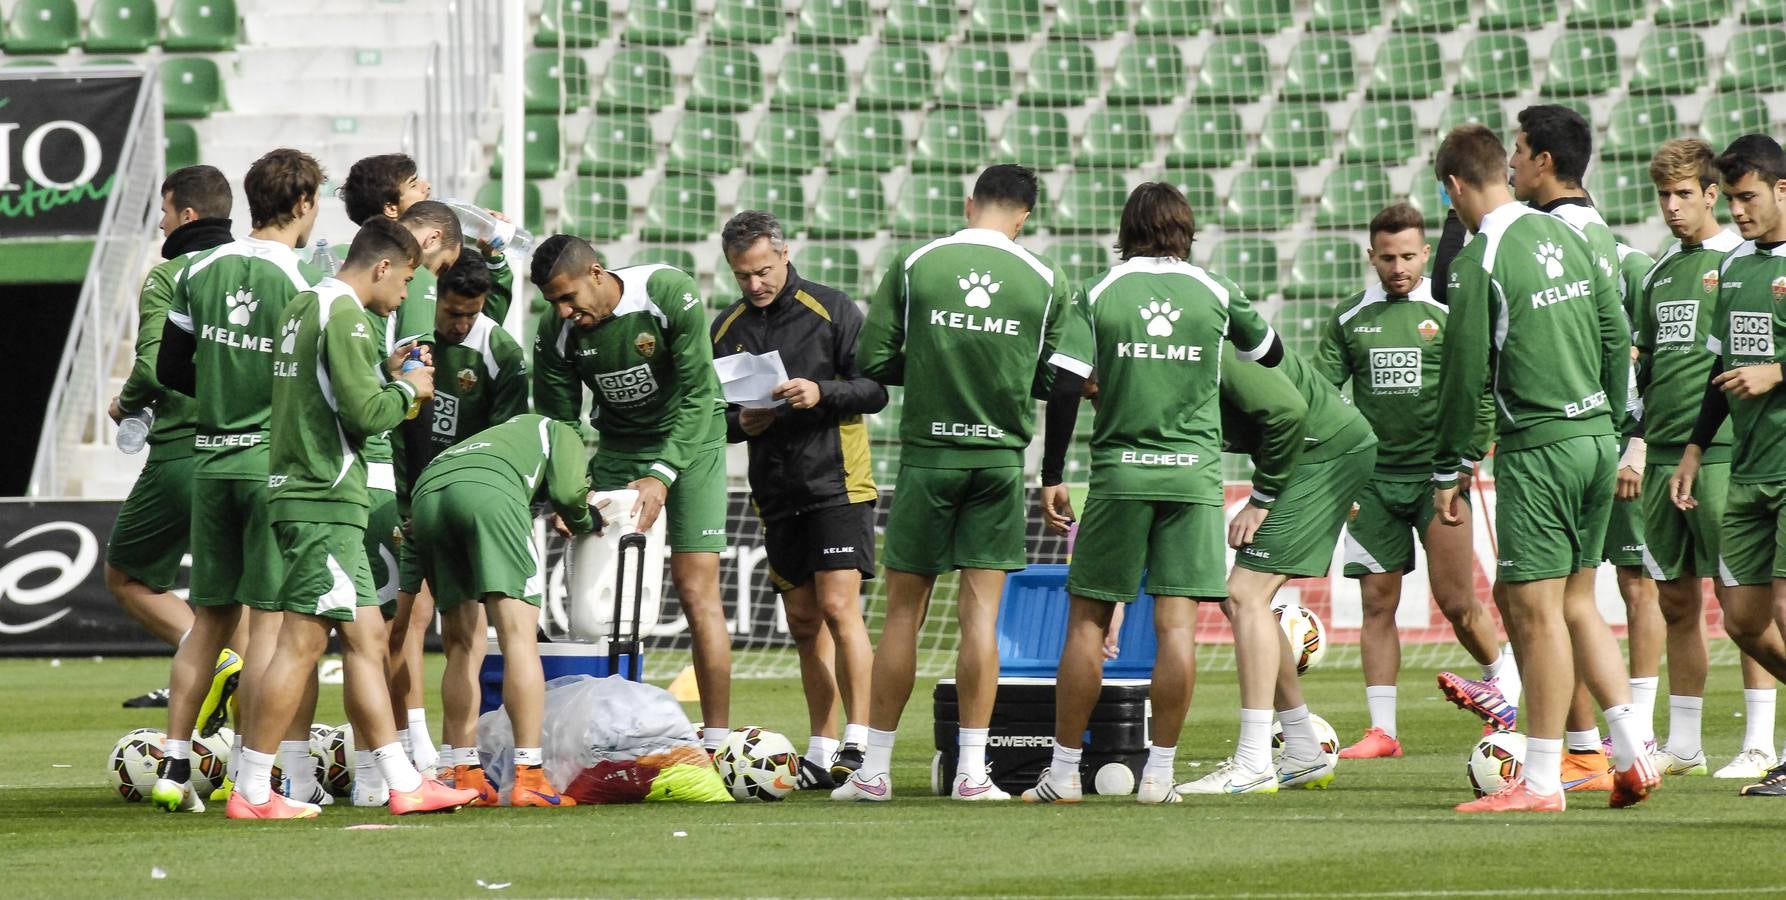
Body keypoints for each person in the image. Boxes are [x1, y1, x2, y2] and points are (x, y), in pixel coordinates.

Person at [1024, 182, 1282, 804]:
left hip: (1121, 475)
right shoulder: (1214, 290)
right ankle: (1159, 776)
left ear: (1127, 228)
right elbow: (1268, 353)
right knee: (1176, 629)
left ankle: (1062, 774)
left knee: (1087, 624)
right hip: (1192, 476)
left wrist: (1052, 473)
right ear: (1186, 230)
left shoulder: (1100, 292)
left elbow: (1063, 385)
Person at [1432, 124, 1656, 812]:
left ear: (1454, 188)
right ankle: (1631, 752)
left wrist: (1452, 467)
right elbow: (1617, 331)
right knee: (1578, 602)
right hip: (1596, 439)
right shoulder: (1569, 235)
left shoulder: (1480, 259)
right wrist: (1618, 426)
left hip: (1541, 446)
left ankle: (1538, 783)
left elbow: (1464, 375)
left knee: (1532, 613)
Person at [834, 165, 1074, 802]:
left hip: (928, 458)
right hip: (998, 461)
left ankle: (875, 771)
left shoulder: (917, 264)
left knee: (901, 617)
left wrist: (939, 356)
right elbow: (1056, 379)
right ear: (1025, 216)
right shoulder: (1048, 279)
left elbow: (874, 362)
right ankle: (973, 772)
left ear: (971, 204)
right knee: (981, 621)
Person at [230, 217, 474, 819]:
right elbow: (366, 415)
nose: (405, 296)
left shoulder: (303, 304)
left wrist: (381, 376)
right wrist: (410, 390)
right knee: (300, 645)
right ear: (383, 265)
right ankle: (254, 789)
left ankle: (402, 781)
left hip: (306, 490)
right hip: (326, 496)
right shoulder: (346, 314)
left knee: (367, 638)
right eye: (408, 280)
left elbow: (324, 394)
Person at [149, 149, 326, 814]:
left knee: (208, 621)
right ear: (305, 204)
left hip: (211, 462)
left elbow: (171, 367)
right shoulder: (305, 281)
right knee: (268, 630)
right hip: (268, 468)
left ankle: (172, 764)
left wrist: (222, 386)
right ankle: (248, 779)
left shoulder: (197, 268)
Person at [1314, 202, 1514, 759]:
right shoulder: (1350, 318)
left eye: (1407, 256)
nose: (1397, 267)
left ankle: (1503, 690)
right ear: (1370, 257)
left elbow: (1480, 388)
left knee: (1457, 602)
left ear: (1426, 253)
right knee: (1377, 603)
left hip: (1439, 478)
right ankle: (1383, 732)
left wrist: (1468, 452)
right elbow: (1322, 395)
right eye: (1386, 257)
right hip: (1373, 482)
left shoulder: (1449, 311)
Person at [530, 235, 734, 751]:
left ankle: (716, 741)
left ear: (596, 273)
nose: (564, 310)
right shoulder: (557, 330)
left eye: (569, 297)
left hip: (692, 443)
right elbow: (559, 421)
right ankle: (607, 734)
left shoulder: (667, 293)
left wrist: (663, 473)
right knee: (601, 602)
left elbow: (699, 392)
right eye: (554, 302)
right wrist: (567, 490)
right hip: (620, 446)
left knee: (695, 588)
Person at [710, 211, 887, 789]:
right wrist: (745, 424)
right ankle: (822, 746)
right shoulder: (726, 328)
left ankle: (860, 742)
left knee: (840, 607)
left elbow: (875, 388)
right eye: (743, 276)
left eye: (762, 270)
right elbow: (719, 419)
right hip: (775, 492)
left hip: (837, 483)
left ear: (785, 256)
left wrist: (820, 391)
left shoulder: (832, 309)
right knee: (805, 624)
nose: (755, 284)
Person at [1635, 138, 1779, 780]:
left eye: (1748, 195)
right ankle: (1687, 739)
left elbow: (1740, 368)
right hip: (1704, 456)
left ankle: (1762, 742)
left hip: (1757, 462)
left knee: (1760, 604)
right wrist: (1677, 445)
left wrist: (1776, 373)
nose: (1671, 207)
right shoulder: (1691, 271)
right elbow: (1698, 366)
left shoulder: (1746, 259)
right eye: (1662, 195)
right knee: (1709, 611)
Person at [1174, 343, 1375, 795]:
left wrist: (1261, 500)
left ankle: (1253, 763)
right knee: (1244, 600)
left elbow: (1287, 412)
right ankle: (1303, 748)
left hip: (1324, 451)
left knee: (1244, 595)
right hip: (1323, 452)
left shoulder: (1207, 348)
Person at [107, 165, 245, 714]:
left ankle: (208, 659)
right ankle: (256, 767)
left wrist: (126, 402)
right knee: (248, 604)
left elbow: (153, 364)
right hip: (256, 453)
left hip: (185, 450)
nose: (161, 226)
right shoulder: (256, 268)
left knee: (126, 575)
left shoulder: (170, 276)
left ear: (186, 215)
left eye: (164, 214)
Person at [394, 254, 530, 796]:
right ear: (436, 299)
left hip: (469, 502)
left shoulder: (499, 350)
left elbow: (511, 436)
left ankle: (457, 760)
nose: (459, 324)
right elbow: (394, 432)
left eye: (470, 314)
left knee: (465, 637)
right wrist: (403, 502)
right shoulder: (412, 339)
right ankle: (400, 747)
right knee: (396, 628)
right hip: (413, 503)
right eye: (452, 311)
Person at [414, 414, 594, 808]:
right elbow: (567, 492)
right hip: (489, 494)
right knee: (519, 640)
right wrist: (584, 517)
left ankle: (464, 773)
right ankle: (530, 776)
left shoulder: (498, 436)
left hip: (427, 495)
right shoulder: (561, 430)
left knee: (462, 645)